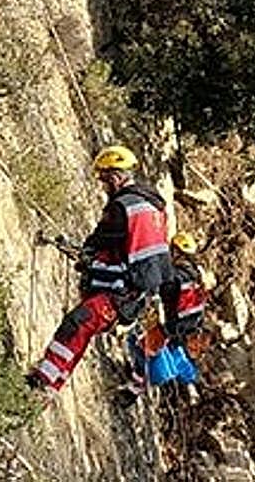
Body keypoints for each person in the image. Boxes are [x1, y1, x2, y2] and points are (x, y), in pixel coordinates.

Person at [28, 145, 172, 399]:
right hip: (138, 295)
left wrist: (86, 257)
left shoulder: (121, 208)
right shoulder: (154, 207)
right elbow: (134, 251)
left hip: (121, 293)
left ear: (116, 177)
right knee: (81, 329)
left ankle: (43, 382)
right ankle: (50, 382)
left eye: (105, 180)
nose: (104, 187)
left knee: (77, 323)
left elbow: (100, 243)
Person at [115, 231, 209, 406]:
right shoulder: (196, 277)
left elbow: (153, 288)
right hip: (189, 330)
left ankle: (131, 391)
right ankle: (189, 385)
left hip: (174, 328)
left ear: (177, 251)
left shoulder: (176, 276)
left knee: (138, 341)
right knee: (177, 355)